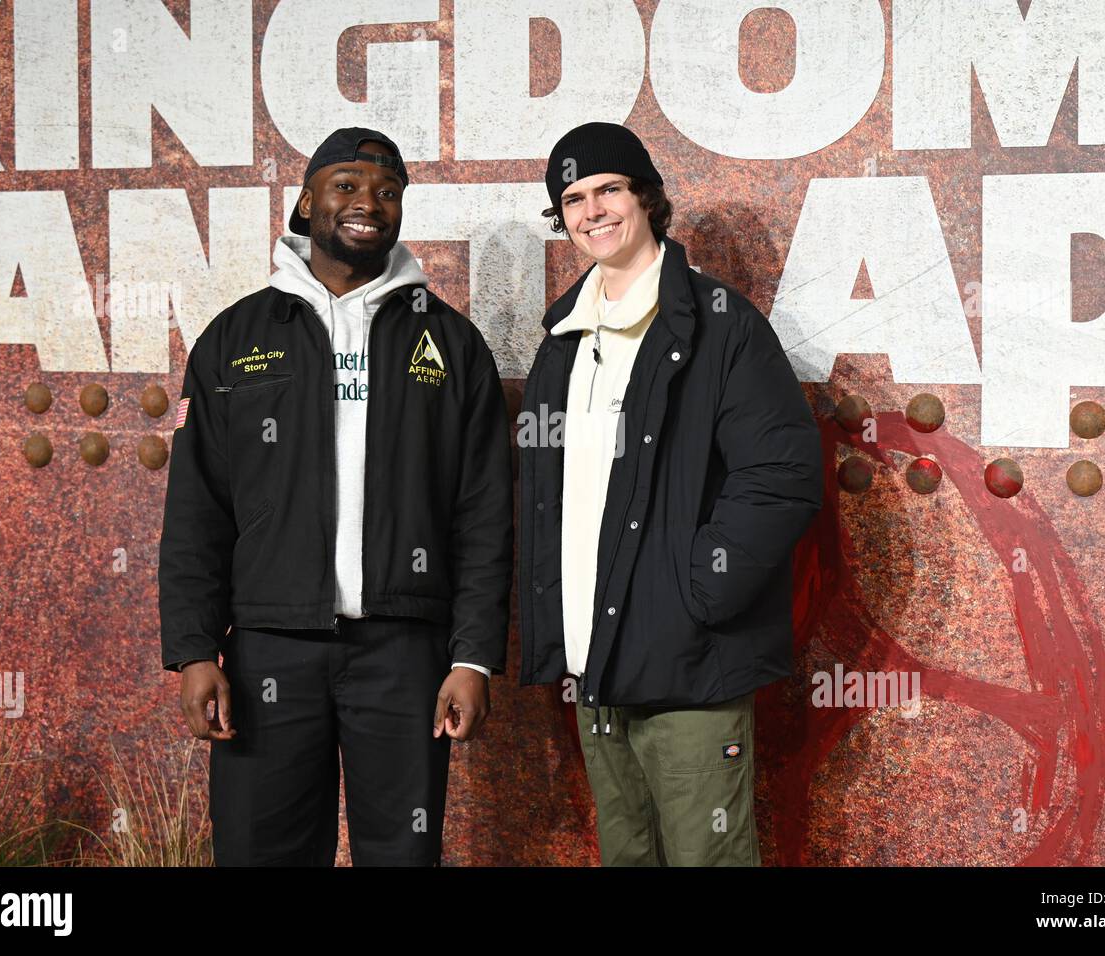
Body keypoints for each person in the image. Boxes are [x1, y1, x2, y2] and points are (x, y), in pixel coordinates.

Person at [158, 127, 513, 866]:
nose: (367, 204)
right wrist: (195, 649)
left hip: (406, 652)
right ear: (304, 203)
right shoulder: (235, 337)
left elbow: (483, 514)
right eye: (346, 186)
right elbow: (198, 509)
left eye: (387, 193)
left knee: (402, 856)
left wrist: (473, 658)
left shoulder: (450, 344)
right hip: (268, 650)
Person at [517, 121, 823, 866]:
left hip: (688, 667)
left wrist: (697, 593)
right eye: (574, 198)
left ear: (646, 198)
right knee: (628, 858)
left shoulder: (720, 326)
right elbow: (548, 494)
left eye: (610, 189)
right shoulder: (563, 341)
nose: (593, 211)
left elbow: (781, 473)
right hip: (597, 667)